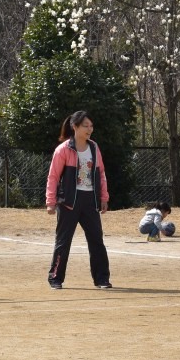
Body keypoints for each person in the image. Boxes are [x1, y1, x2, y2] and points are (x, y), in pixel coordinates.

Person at [45, 110, 111, 289]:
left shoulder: (94, 148)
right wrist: (51, 202)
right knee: (63, 241)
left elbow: (101, 173)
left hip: (90, 201)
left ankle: (102, 279)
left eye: (91, 126)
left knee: (96, 241)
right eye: (85, 126)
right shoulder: (63, 150)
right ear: (75, 127)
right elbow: (53, 177)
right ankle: (55, 278)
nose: (89, 129)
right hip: (69, 202)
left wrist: (104, 197)